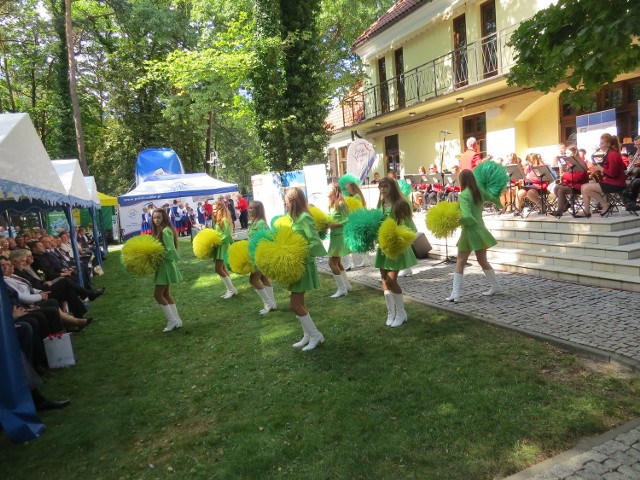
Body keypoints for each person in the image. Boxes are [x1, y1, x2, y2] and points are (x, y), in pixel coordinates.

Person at [446, 170, 504, 302]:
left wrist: (455, 222)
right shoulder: (478, 192)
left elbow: (467, 217)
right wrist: (501, 206)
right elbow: (493, 198)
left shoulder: (464, 195)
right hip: (481, 230)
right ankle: (496, 286)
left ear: (461, 180)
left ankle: (455, 294)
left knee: (460, 261)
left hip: (470, 231)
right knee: (482, 260)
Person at [285, 187, 328, 351]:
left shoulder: (304, 217)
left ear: (292, 201)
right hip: (297, 265)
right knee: (300, 303)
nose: (286, 204)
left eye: (287, 201)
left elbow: (314, 242)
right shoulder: (295, 219)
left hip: (303, 265)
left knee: (295, 305)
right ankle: (308, 334)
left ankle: (316, 335)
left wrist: (300, 255)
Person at [374, 177, 417, 327]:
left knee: (392, 280)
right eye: (380, 187)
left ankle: (401, 313)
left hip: (396, 247)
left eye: (385, 187)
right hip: (383, 247)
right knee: (384, 279)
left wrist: (398, 238)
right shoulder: (381, 204)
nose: (382, 190)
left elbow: (411, 228)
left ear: (392, 187)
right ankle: (390, 313)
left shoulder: (401, 204)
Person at [151, 208, 184, 332]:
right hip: (165, 265)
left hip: (165, 265)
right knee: (165, 294)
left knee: (158, 295)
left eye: (159, 217)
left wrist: (156, 255)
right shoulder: (163, 230)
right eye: (154, 218)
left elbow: (170, 250)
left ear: (164, 218)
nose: (156, 220)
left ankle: (172, 320)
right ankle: (177, 320)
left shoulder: (165, 231)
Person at [580, 133, 627, 218]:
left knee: (586, 188)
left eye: (602, 143)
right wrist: (600, 169)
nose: (600, 146)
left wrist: (601, 169)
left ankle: (605, 204)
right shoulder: (610, 153)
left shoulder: (613, 154)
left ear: (608, 144)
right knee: (583, 187)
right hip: (611, 182)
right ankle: (586, 211)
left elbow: (613, 173)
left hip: (616, 184)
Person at [247, 201, 277, 314]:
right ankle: (272, 304)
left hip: (260, 256)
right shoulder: (254, 222)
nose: (248, 210)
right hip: (254, 255)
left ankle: (268, 303)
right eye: (248, 208)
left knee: (253, 280)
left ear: (257, 210)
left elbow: (268, 239)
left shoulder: (261, 224)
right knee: (263, 278)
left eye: (251, 208)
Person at [327, 184, 351, 298]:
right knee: (337, 263)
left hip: (340, 236)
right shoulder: (331, 205)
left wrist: (337, 224)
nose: (327, 190)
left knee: (332, 263)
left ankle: (342, 289)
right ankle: (346, 285)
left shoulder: (341, 203)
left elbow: (349, 218)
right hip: (334, 236)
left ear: (335, 190)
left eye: (329, 188)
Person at [213, 197, 237, 298]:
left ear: (221, 209)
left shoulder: (224, 220)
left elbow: (227, 235)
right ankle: (231, 289)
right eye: (212, 209)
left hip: (222, 246)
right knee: (222, 268)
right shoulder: (218, 220)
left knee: (218, 269)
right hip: (219, 246)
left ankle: (231, 289)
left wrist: (217, 241)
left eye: (215, 209)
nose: (213, 211)